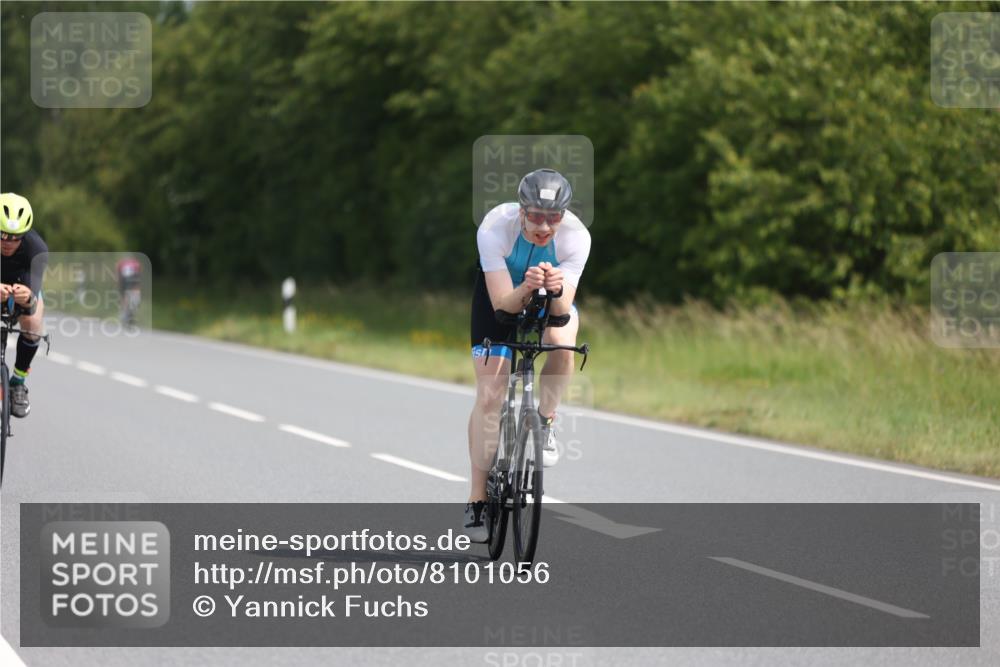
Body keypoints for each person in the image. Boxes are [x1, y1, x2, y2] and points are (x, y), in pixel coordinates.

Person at [463, 168, 591, 541]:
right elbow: (503, 305)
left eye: (554, 217)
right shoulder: (494, 227)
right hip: (500, 298)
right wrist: (527, 286)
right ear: (521, 211)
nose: (544, 226)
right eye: (536, 215)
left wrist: (554, 287)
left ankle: (546, 420)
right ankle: (477, 498)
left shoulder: (576, 237)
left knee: (563, 347)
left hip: (548, 301)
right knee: (490, 393)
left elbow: (562, 309)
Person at [0, 192, 48, 418]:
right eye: (2, 236)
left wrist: (27, 296)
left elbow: (33, 297)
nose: (7, 243)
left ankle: (18, 382)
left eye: (15, 237)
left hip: (21, 285)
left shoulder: (36, 248)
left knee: (33, 320)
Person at [116, 255, 143, 327]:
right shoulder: (136, 263)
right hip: (131, 280)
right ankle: (128, 313)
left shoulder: (121, 263)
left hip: (125, 280)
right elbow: (138, 275)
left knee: (125, 296)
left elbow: (118, 274)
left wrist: (118, 282)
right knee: (132, 295)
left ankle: (125, 313)